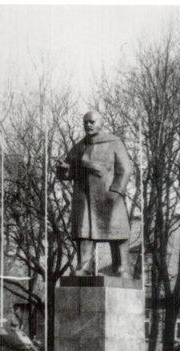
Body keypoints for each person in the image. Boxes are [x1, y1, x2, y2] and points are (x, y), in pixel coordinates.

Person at [55, 110, 133, 278]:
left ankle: (122, 268)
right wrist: (63, 169)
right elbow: (69, 173)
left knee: (117, 231)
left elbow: (126, 169)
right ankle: (84, 267)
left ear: (100, 123)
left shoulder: (114, 142)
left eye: (92, 122)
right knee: (84, 233)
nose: (88, 125)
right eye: (85, 122)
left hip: (108, 195)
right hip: (84, 197)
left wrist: (116, 190)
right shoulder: (79, 147)